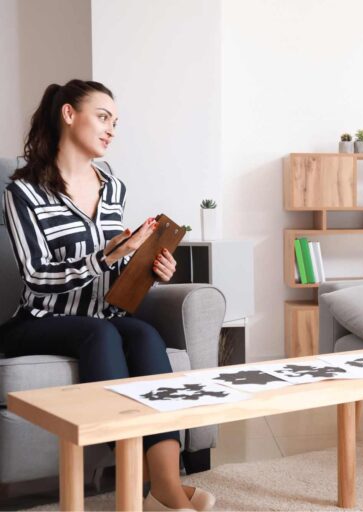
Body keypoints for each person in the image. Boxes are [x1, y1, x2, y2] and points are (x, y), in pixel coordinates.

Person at [0, 80, 214, 512]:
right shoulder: (23, 192)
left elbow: (115, 269)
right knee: (100, 335)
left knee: (145, 335)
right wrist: (106, 255)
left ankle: (165, 486)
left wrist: (150, 268)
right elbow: (37, 276)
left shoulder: (113, 187)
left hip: (104, 315)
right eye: (102, 117)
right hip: (40, 321)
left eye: (115, 122)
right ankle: (140, 484)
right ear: (68, 114)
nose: (111, 129)